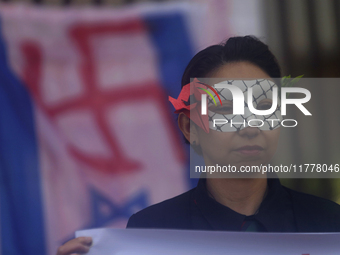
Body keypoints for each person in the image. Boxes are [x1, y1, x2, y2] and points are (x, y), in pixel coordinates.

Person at [56, 35, 340, 255]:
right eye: (227, 110)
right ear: (190, 127)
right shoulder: (151, 232)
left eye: (264, 107)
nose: (250, 126)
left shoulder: (329, 224)